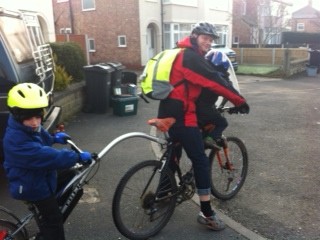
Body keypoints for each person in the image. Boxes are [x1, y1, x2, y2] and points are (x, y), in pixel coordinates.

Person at [157, 22, 249, 231]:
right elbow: (214, 80)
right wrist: (240, 101)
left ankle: (162, 193)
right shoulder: (190, 57)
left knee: (173, 154)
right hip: (183, 116)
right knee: (200, 160)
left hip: (167, 113)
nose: (208, 42)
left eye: (211, 39)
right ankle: (207, 213)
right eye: (204, 37)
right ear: (194, 36)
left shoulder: (177, 52)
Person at [3, 83, 92, 240]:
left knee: (71, 176)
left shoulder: (27, 128)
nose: (35, 122)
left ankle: (50, 211)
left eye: (38, 116)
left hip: (37, 177)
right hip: (30, 186)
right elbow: (48, 156)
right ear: (17, 116)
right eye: (29, 118)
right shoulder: (16, 140)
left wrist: (53, 138)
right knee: (54, 222)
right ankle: (50, 223)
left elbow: (40, 137)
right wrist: (76, 157)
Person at [196, 49, 241, 149]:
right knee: (222, 122)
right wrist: (235, 106)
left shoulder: (201, 72)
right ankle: (210, 139)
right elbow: (229, 93)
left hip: (191, 108)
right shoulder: (222, 78)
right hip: (206, 108)